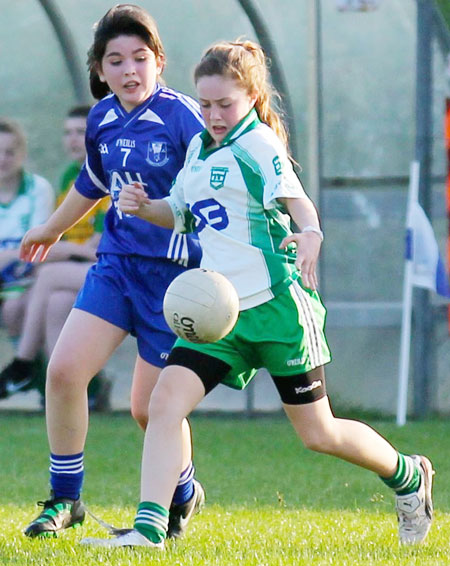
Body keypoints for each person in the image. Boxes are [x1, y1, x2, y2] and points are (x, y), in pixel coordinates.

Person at [79, 39, 435, 549]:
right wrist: (142, 206)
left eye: (224, 103)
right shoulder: (200, 147)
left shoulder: (260, 145)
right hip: (218, 314)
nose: (213, 114)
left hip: (275, 310)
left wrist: (310, 233)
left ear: (250, 96)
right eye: (204, 104)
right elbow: (179, 213)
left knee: (319, 433)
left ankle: (407, 475)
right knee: (163, 404)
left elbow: (299, 203)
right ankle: (149, 530)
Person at [20, 4, 205, 539]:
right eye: (116, 60)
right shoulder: (102, 117)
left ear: (159, 62)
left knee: (149, 411)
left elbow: (217, 185)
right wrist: (52, 229)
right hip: (118, 267)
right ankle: (65, 500)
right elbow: (92, 183)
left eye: (140, 58)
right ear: (99, 70)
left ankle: (183, 488)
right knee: (63, 373)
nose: (129, 69)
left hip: (175, 282)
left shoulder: (185, 118)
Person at [0, 106, 111, 410]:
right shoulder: (69, 176)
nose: (73, 139)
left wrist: (64, 252)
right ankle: (70, 392)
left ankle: (22, 365)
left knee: (46, 277)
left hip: (106, 266)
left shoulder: (109, 170)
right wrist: (65, 251)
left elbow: (98, 244)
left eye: (80, 132)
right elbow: (61, 238)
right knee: (56, 303)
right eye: (68, 132)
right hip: (75, 264)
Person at [0, 116, 55, 360]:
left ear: (22, 152)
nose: (2, 159)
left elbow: (35, 248)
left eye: (9, 152)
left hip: (26, 276)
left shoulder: (38, 189)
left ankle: (31, 371)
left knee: (14, 309)